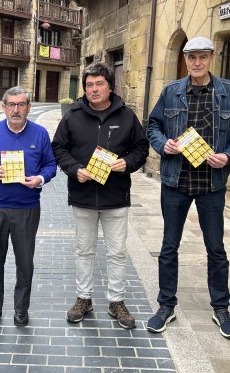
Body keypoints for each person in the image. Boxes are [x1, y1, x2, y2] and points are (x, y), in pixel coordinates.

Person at [146, 36, 230, 339]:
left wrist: (228, 156)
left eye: (202, 57)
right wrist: (163, 144)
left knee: (216, 248)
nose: (197, 63)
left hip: (211, 184)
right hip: (176, 182)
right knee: (169, 246)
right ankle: (166, 305)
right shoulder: (171, 92)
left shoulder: (229, 92)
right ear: (185, 60)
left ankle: (221, 308)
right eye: (191, 57)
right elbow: (153, 125)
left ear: (211, 58)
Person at [52, 62, 149, 329]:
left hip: (116, 197)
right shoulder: (72, 115)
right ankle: (84, 298)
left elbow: (141, 148)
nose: (94, 89)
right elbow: (58, 148)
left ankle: (116, 301)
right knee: (84, 251)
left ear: (110, 86)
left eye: (99, 84)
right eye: (89, 85)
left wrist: (126, 163)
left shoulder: (127, 116)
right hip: (83, 195)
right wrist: (74, 170)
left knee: (117, 252)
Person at [0, 87, 57, 328]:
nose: (16, 110)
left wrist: (39, 179)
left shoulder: (40, 134)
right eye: (11, 105)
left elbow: (51, 165)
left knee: (25, 262)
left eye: (21, 105)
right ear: (4, 107)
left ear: (29, 107)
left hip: (27, 208)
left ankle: (21, 310)